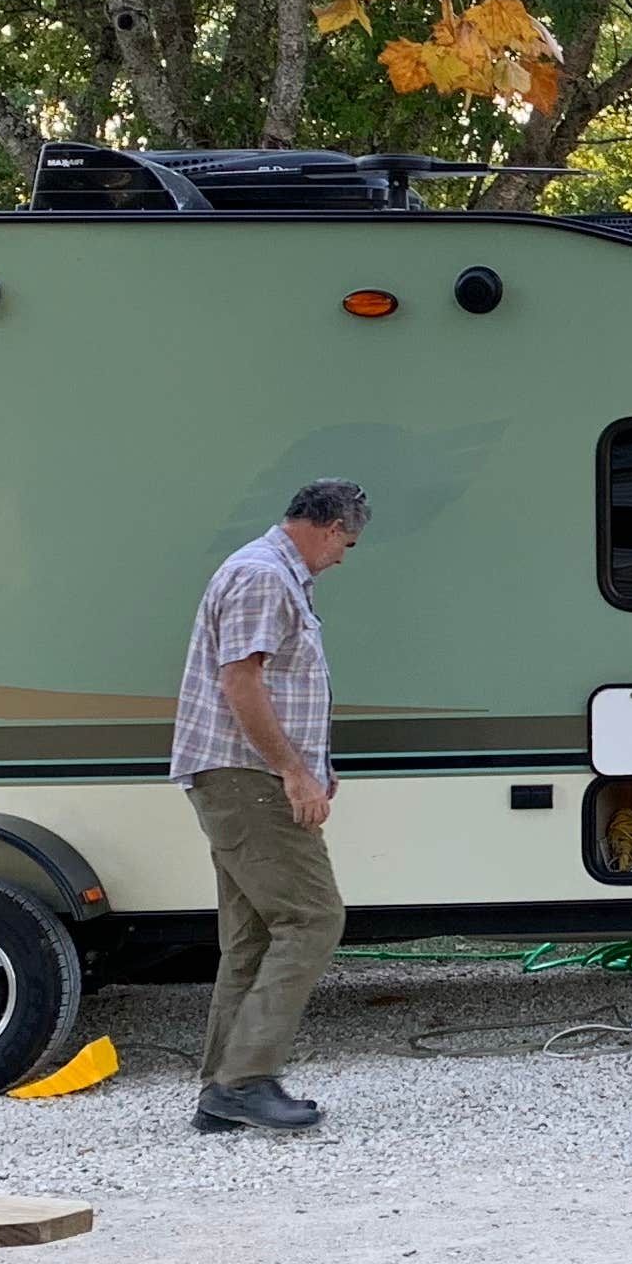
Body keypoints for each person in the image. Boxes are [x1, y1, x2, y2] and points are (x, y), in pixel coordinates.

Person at [171, 479, 367, 1135]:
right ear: (328, 525)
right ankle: (244, 1081)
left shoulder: (270, 573)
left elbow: (278, 682)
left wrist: (316, 767)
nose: (345, 557)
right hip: (248, 778)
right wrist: (292, 773)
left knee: (254, 936)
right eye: (349, 541)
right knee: (313, 917)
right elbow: (241, 681)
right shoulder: (263, 577)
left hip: (239, 777)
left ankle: (223, 1090)